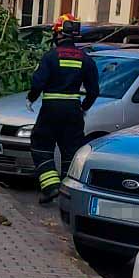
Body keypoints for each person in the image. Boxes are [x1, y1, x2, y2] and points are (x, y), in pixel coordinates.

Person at [27, 14, 100, 203]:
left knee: (41, 145)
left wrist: (31, 98)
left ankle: (51, 187)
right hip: (73, 111)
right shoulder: (85, 59)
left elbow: (38, 82)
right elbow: (93, 90)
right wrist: (84, 108)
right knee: (71, 150)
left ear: (58, 34)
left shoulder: (51, 56)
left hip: (51, 109)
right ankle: (67, 193)